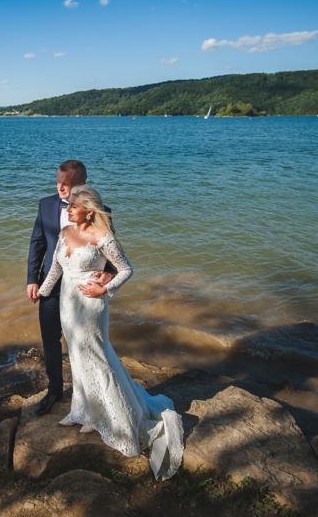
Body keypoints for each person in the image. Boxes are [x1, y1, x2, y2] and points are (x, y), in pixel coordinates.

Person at [36, 185, 185, 481]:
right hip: (67, 302)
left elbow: (126, 269)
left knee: (97, 358)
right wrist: (42, 292)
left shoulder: (101, 237)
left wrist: (105, 287)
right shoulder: (66, 233)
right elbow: (55, 267)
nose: (67, 209)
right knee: (76, 356)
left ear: (89, 211)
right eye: (68, 206)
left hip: (91, 305)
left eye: (73, 206)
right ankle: (84, 411)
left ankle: (119, 421)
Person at [27, 160, 112, 416]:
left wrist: (108, 277)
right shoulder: (46, 205)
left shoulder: (100, 211)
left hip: (83, 290)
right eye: (58, 182)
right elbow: (37, 244)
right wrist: (32, 279)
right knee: (50, 339)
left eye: (67, 184)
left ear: (82, 185)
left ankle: (88, 394)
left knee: (86, 342)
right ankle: (54, 390)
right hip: (51, 286)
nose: (60, 188)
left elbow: (112, 255)